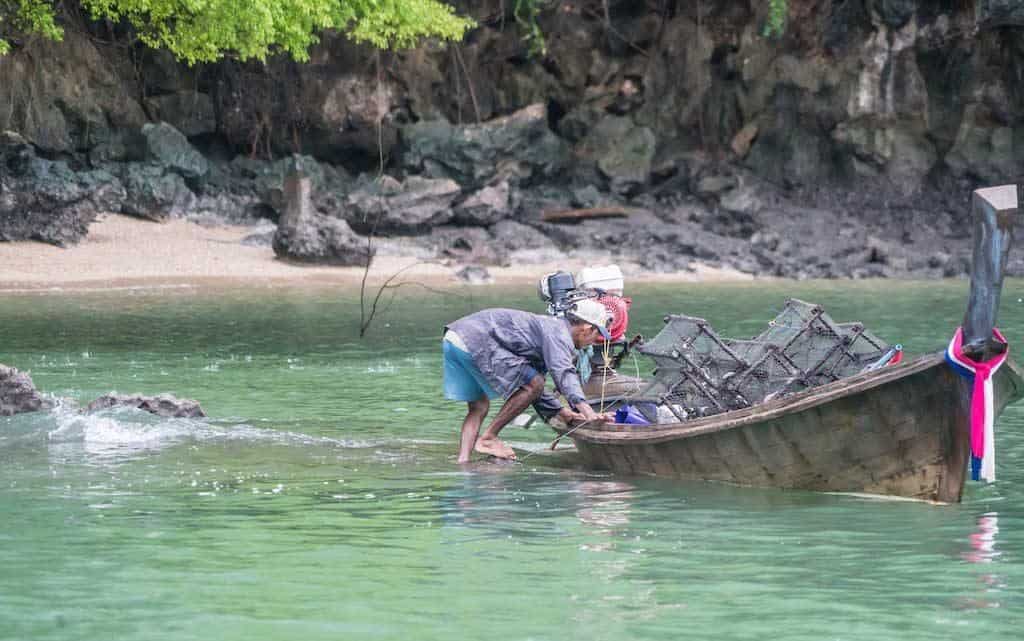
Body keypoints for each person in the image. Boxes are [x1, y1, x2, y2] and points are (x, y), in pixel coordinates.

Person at [443, 299, 613, 463]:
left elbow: (534, 391)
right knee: (535, 383)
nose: (595, 341)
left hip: (455, 337)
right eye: (597, 334)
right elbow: (562, 374)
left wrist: (562, 412)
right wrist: (589, 413)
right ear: (587, 329)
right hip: (475, 338)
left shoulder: (550, 328)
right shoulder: (559, 334)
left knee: (479, 407)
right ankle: (488, 438)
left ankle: (463, 461)